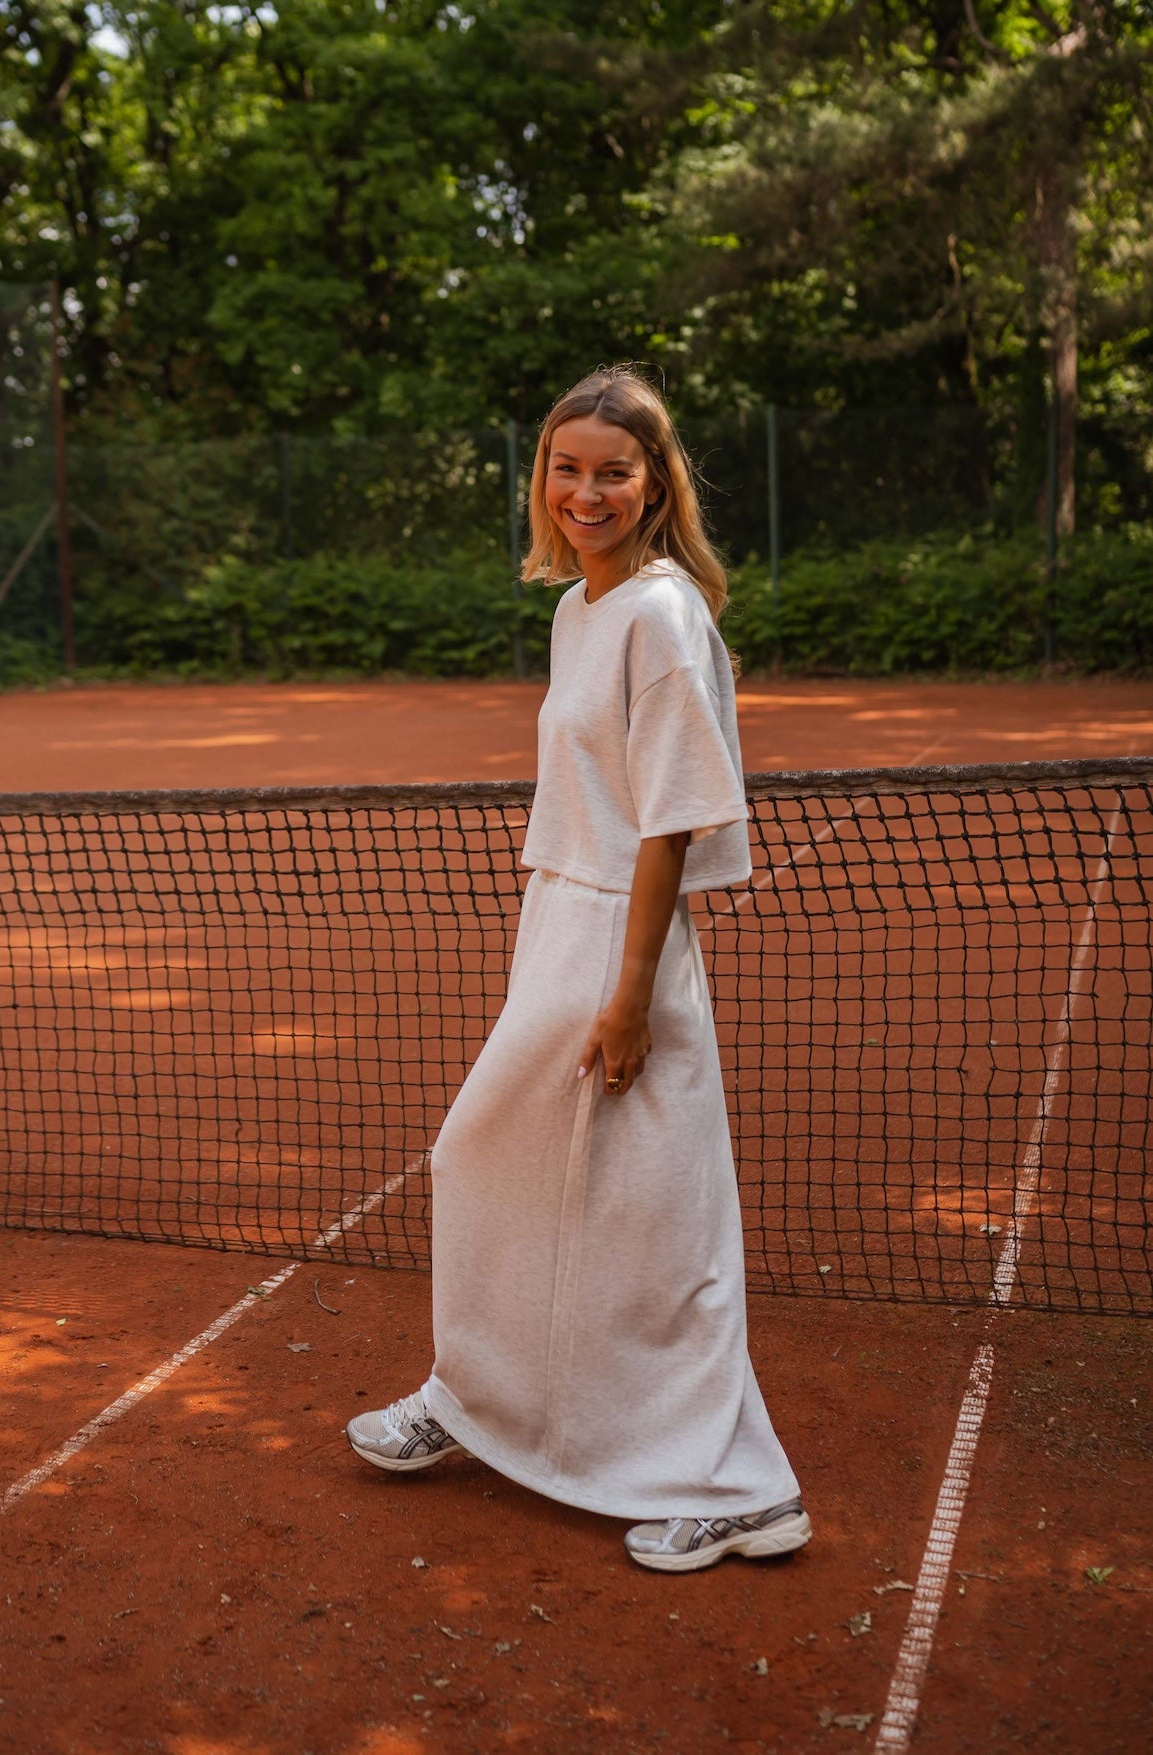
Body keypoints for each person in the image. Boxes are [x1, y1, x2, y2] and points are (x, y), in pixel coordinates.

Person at [346, 366, 809, 1574]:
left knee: (631, 1207)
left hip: (620, 935)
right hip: (562, 917)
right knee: (544, 1184)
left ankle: (739, 1487)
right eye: (566, 468)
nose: (585, 490)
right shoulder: (580, 611)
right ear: (540, 481)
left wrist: (629, 993)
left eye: (613, 469)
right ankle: (480, 1400)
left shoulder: (660, 615)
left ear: (656, 482)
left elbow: (672, 821)